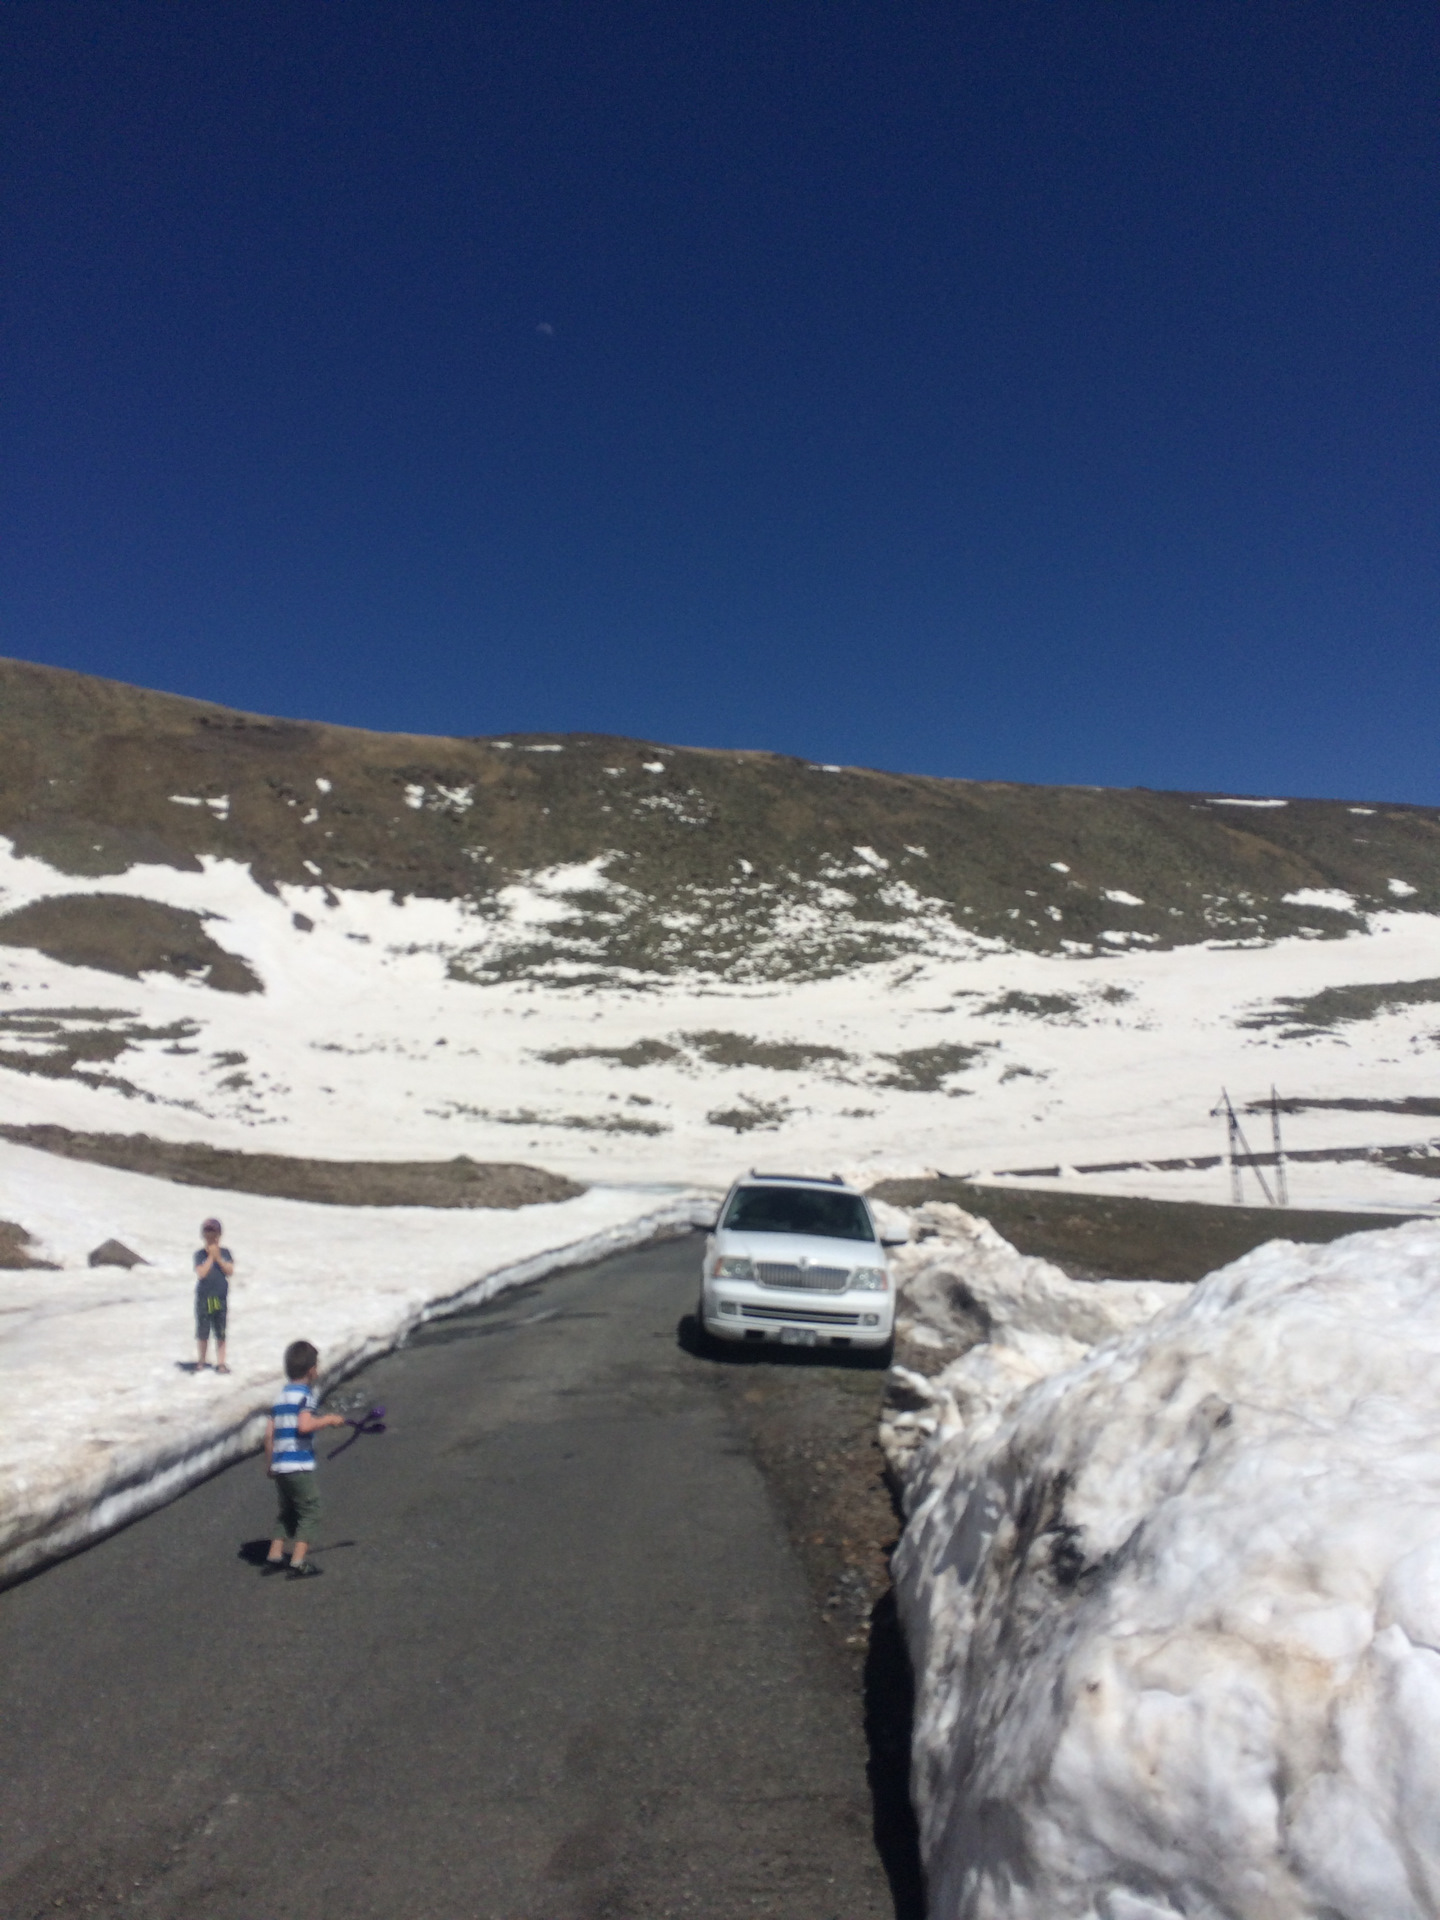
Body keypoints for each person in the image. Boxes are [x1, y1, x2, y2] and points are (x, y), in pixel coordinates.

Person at [262, 1340, 346, 1579]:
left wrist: (270, 1464)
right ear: (311, 1370)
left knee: (288, 1510)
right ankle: (298, 1561)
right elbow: (305, 1425)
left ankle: (275, 1554)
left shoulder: (280, 1398)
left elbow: (268, 1435)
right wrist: (328, 1419)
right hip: (298, 1464)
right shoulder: (305, 1396)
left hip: (280, 1464)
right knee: (311, 1510)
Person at [194, 1218, 235, 1373]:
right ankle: (202, 1360)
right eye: (207, 1232)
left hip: (219, 1297)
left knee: (220, 1330)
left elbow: (229, 1271)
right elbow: (201, 1273)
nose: (210, 1235)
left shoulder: (226, 1253)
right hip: (205, 1297)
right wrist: (211, 1257)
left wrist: (218, 1258)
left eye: (213, 1232)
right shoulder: (200, 1254)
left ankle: (221, 1362)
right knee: (203, 1330)